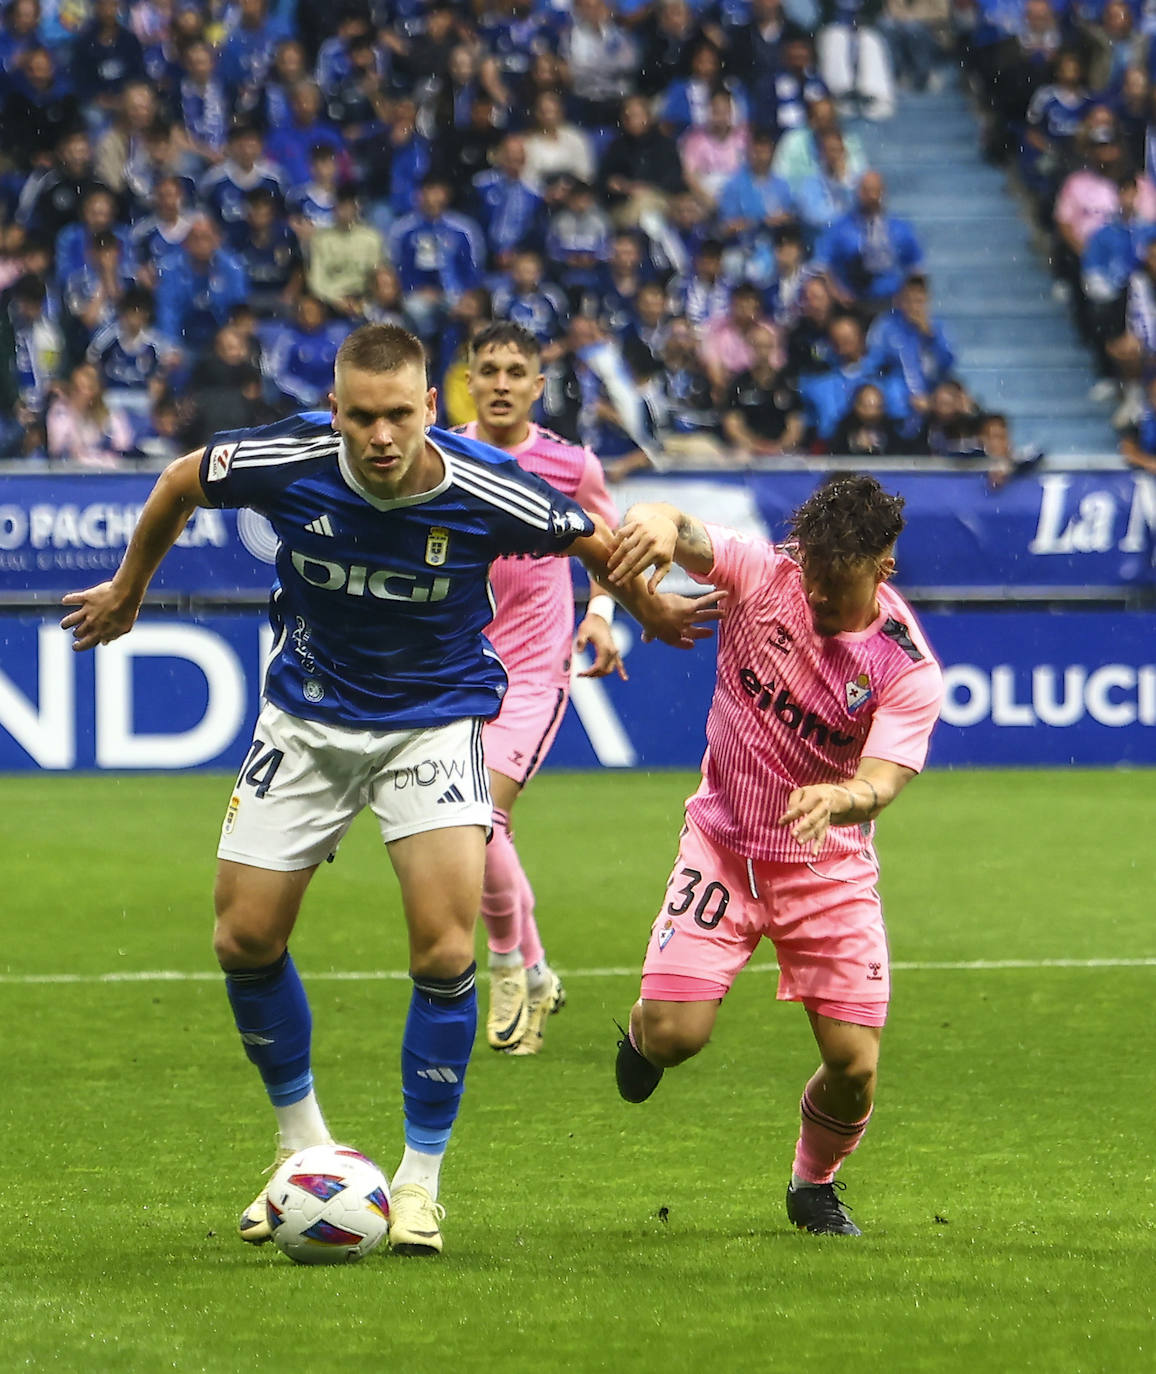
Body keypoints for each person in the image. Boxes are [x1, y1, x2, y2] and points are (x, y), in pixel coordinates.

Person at [60, 321, 710, 1258]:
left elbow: (590, 536)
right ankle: (302, 1150)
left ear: (427, 409)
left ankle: (418, 1184)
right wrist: (129, 589)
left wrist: (646, 608)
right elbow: (180, 480)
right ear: (335, 410)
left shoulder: (486, 485)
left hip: (434, 724)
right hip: (307, 719)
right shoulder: (290, 457)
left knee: (446, 953)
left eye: (399, 414)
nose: (380, 436)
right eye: (361, 416)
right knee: (243, 937)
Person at [606, 474, 944, 1236]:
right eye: (812, 575)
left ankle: (812, 1183)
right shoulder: (766, 575)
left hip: (827, 867)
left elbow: (883, 779)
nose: (816, 596)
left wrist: (843, 798)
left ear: (882, 571)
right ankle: (642, 1032)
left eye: (837, 585)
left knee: (855, 1068)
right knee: (673, 1039)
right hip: (723, 847)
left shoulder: (904, 666)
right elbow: (674, 524)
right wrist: (655, 524)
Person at [462, 322, 627, 1054]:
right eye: (488, 369)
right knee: (481, 830)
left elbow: (613, 544)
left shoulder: (567, 464)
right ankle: (535, 970)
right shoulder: (440, 455)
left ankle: (503, 967)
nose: (500, 382)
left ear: (537, 384)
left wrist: (600, 612)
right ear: (469, 378)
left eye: (515, 370)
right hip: (457, 672)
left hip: (533, 675)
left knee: (480, 819)